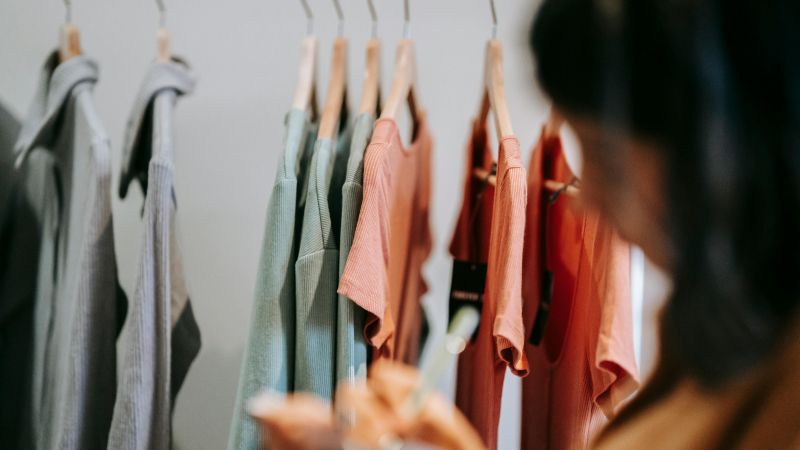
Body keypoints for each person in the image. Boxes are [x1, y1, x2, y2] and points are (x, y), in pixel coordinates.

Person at [253, 0, 800, 448]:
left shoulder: (776, 395)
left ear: (722, 144)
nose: (588, 200)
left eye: (607, 162)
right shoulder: (710, 340)